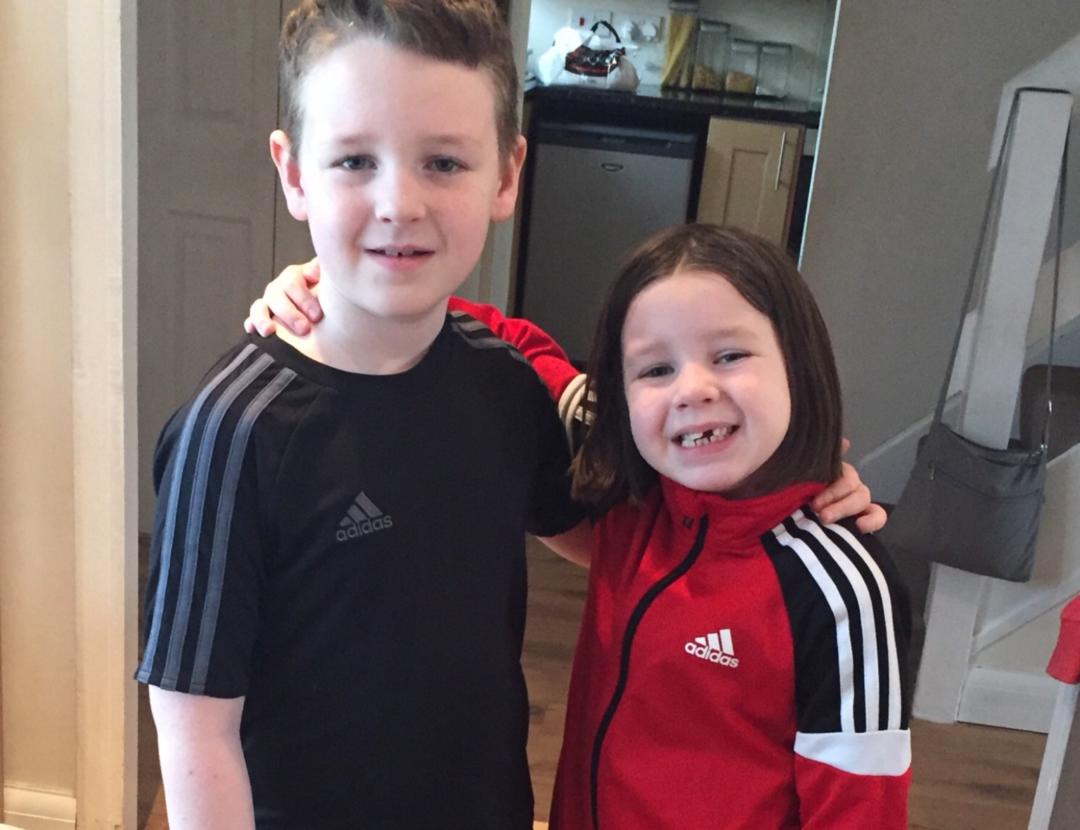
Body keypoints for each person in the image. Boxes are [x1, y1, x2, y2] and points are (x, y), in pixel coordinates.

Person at [136, 2, 593, 828]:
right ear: (294, 172)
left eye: (445, 162)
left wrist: (788, 498)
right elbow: (195, 729)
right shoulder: (232, 436)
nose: (399, 202)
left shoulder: (504, 386)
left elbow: (613, 542)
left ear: (507, 174)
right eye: (353, 159)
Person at [548, 224, 912, 828]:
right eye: (655, 369)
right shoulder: (628, 496)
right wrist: (337, 293)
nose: (692, 389)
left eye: (730, 355)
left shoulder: (844, 590)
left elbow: (860, 809)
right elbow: (511, 348)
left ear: (797, 364)